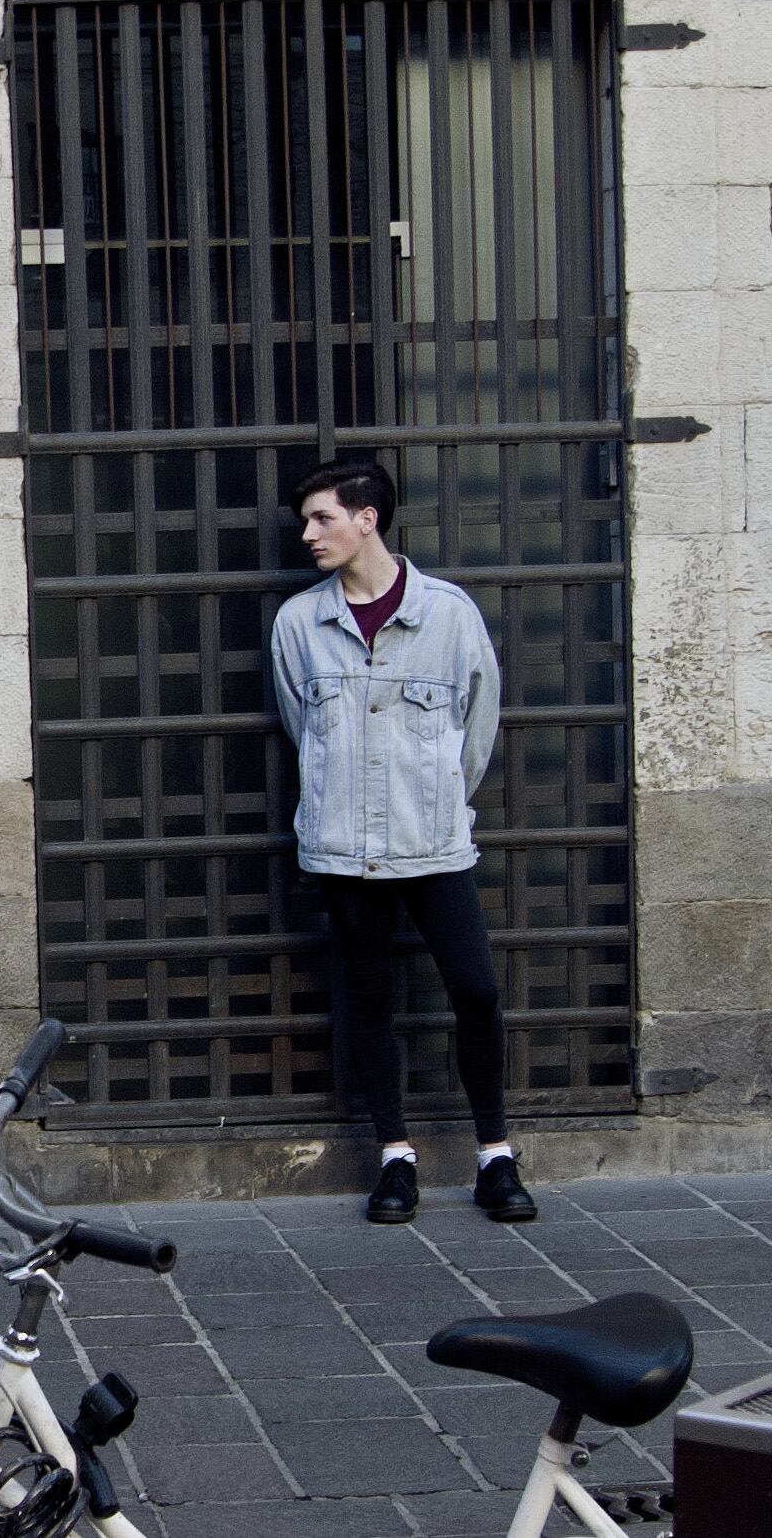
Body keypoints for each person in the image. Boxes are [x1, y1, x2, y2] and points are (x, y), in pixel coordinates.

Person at [269, 460, 536, 1226]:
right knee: (369, 999)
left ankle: (496, 1156)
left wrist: (434, 795)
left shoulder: (449, 616)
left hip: (435, 844)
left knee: (476, 990)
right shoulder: (299, 624)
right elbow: (304, 729)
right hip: (344, 849)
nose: (308, 533)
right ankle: (395, 1157)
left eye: (322, 518)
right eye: (306, 520)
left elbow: (475, 732)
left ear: (367, 519)